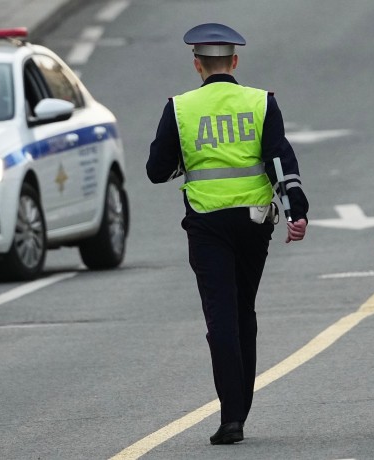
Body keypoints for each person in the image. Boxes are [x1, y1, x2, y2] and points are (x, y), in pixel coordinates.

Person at [147, 23, 309, 444]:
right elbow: (280, 160)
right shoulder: (261, 102)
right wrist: (296, 211)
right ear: (234, 62)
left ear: (197, 64)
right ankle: (242, 407)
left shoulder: (180, 108)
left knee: (220, 317)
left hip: (206, 223)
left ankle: (231, 417)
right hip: (254, 223)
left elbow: (155, 171)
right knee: (244, 311)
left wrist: (184, 162)